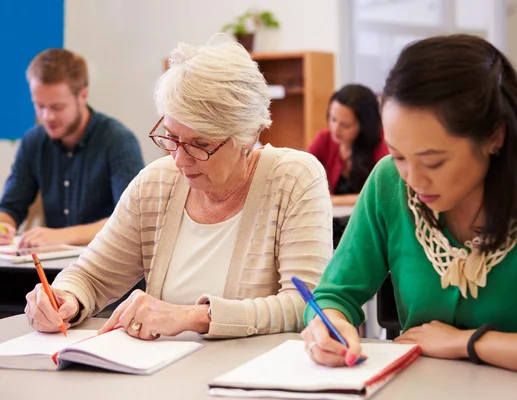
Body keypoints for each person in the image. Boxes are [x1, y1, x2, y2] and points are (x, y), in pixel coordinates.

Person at [301, 34, 517, 384]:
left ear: (495, 137)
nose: (412, 179)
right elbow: (333, 295)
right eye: (398, 156)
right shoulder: (388, 182)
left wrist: (467, 343)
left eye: (434, 161)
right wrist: (329, 324)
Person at [24, 35, 332, 340]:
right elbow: (91, 276)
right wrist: (65, 298)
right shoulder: (156, 183)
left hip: (253, 379)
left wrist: (194, 317)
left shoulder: (294, 179)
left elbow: (306, 304)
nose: (180, 159)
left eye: (200, 144)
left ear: (247, 136)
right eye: (171, 137)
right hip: (161, 375)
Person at [0, 48, 144, 248]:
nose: (47, 116)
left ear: (82, 95)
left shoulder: (118, 140)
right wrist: (3, 227)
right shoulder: (34, 141)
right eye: (39, 106)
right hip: (54, 268)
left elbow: (130, 221)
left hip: (107, 267)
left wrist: (61, 236)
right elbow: (10, 207)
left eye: (57, 107)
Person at [308, 84, 388, 207]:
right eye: (333, 119)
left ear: (364, 125)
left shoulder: (382, 142)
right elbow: (303, 175)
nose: (335, 129)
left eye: (345, 125)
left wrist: (333, 200)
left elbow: (382, 193)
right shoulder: (324, 139)